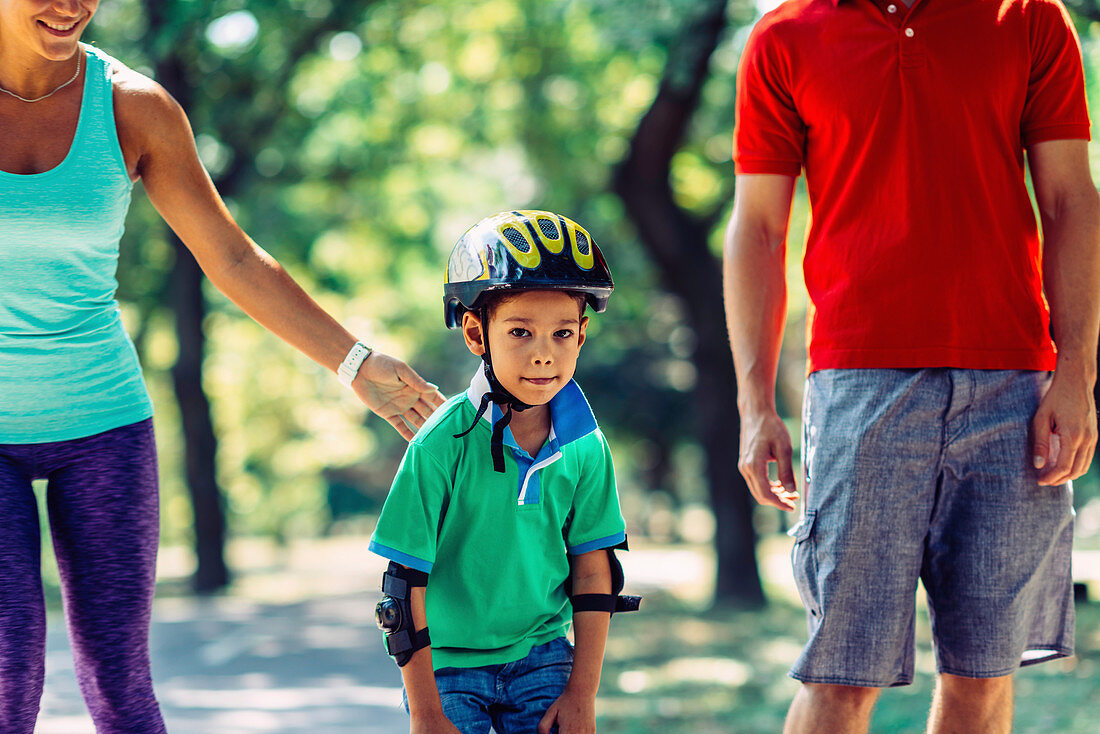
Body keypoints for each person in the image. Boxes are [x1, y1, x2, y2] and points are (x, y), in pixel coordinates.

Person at [0, 1, 445, 731]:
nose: (71, 5)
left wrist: (354, 361)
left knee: (118, 679)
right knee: (7, 664)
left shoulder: (133, 107)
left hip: (102, 425)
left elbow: (231, 256)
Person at [724, 0, 1099, 732]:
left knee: (983, 675)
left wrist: (1078, 371)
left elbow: (1069, 198)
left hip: (1015, 385)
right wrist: (754, 405)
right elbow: (759, 227)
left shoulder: (1027, 19)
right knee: (840, 673)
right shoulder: (784, 35)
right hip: (858, 385)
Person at [368, 210, 639, 734]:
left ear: (583, 334)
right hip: (447, 666)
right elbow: (403, 588)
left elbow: (592, 570)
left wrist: (582, 694)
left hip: (542, 657)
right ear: (476, 333)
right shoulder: (440, 444)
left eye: (562, 333)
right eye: (520, 332)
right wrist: (426, 713)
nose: (544, 355)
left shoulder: (585, 446)